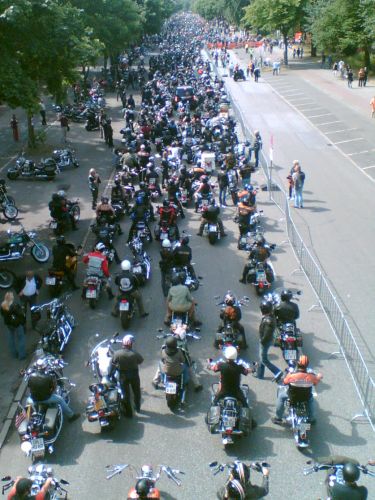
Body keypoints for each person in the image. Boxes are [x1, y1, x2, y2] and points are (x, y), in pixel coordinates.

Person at [272, 355, 323, 424]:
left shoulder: (292, 375)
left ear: (298, 364)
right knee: (311, 400)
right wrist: (319, 376)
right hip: (305, 397)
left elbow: (284, 382)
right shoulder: (311, 377)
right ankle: (311, 419)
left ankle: (278, 418)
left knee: (281, 397)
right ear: (307, 365)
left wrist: (288, 374)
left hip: (292, 397)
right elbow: (316, 382)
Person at [111, 334, 143, 416]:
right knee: (136, 392)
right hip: (134, 375)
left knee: (125, 394)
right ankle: (137, 407)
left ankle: (129, 413)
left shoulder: (117, 353)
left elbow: (113, 363)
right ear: (131, 344)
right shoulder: (134, 354)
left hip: (123, 376)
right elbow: (140, 361)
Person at [254, 301, 282, 380]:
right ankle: (260, 374)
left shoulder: (268, 321)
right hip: (266, 340)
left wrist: (262, 341)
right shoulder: (270, 316)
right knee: (261, 357)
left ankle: (277, 372)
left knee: (264, 359)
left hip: (265, 341)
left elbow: (267, 334)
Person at [1, 292, 26, 360]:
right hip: (17, 324)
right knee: (21, 338)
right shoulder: (15, 306)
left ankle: (14, 353)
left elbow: (3, 315)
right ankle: (22, 355)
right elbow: (21, 315)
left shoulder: (3, 305)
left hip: (9, 324)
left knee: (11, 338)